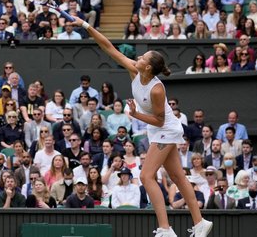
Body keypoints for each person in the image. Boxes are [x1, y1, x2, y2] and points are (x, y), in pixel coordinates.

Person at [72, 16, 212, 236]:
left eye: (142, 56)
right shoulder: (135, 70)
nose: (137, 56)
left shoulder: (157, 89)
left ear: (147, 66)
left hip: (166, 129)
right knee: (177, 177)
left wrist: (135, 113)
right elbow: (108, 47)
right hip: (159, 129)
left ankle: (165, 229)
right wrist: (85, 25)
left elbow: (160, 120)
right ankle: (200, 222)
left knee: (146, 176)